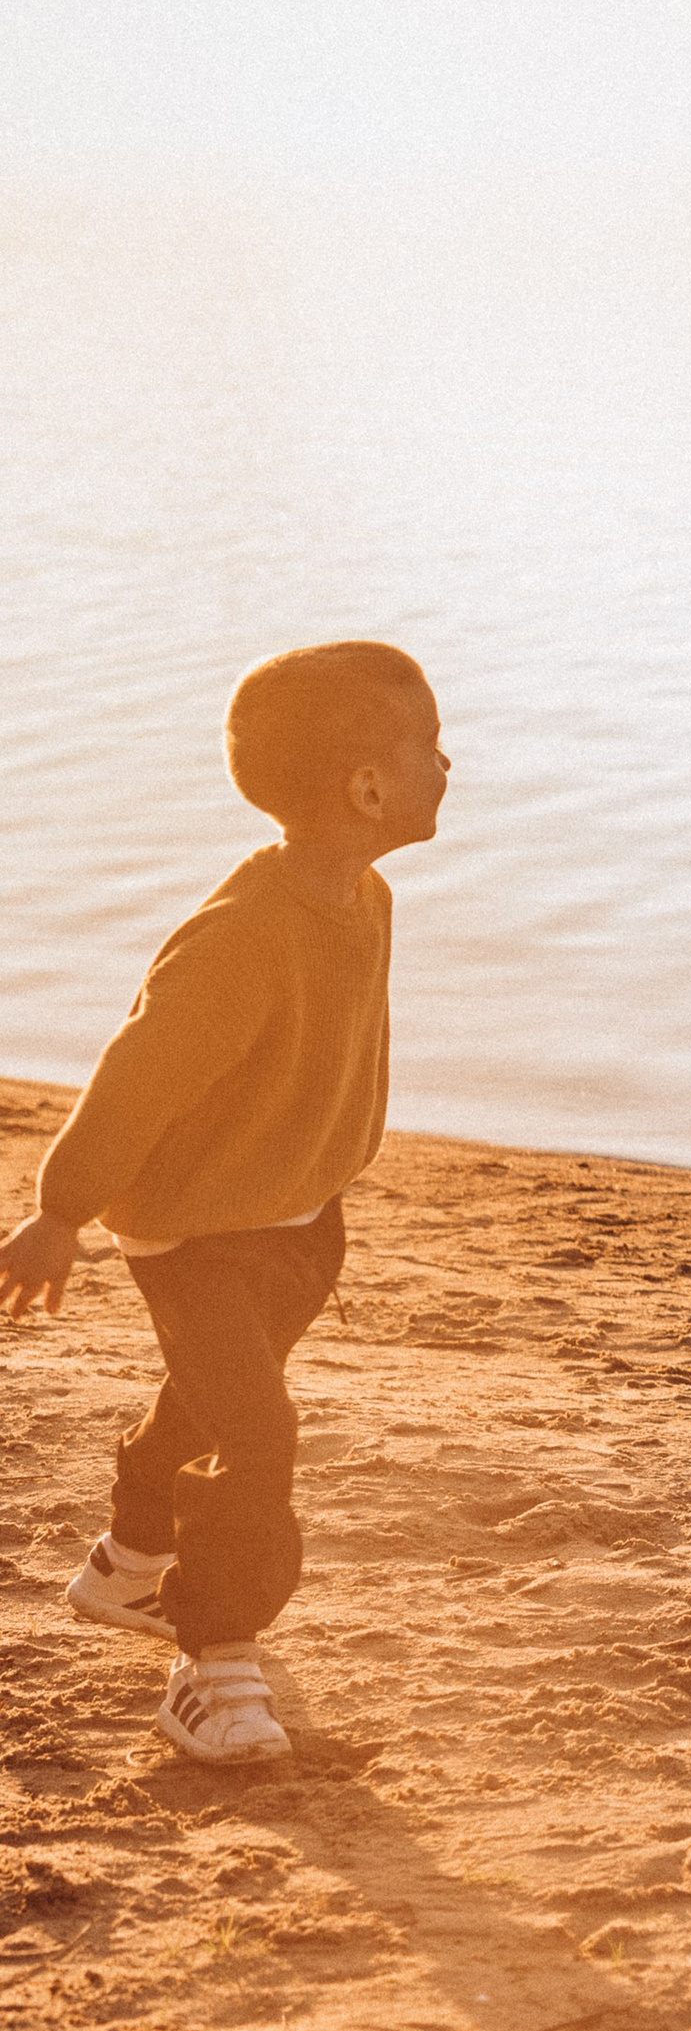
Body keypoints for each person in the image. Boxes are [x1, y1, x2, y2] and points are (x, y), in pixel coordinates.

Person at [0, 643, 450, 1761]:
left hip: (298, 1217)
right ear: (368, 788)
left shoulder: (366, 896)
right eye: (430, 747)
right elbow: (140, 1073)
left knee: (206, 1406)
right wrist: (62, 1210)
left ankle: (127, 1564)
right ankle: (214, 1662)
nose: (448, 764)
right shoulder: (243, 934)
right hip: (197, 1235)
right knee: (258, 1435)